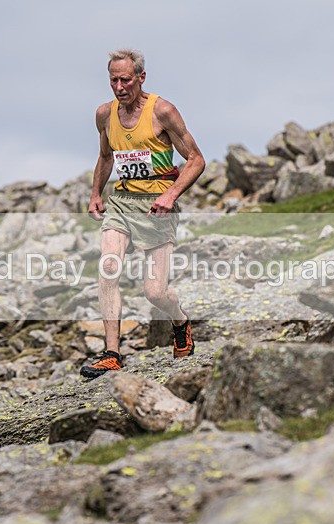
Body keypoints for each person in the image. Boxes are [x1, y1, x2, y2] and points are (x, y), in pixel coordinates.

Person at [80, 48, 205, 379]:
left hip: (156, 206)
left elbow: (196, 160)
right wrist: (95, 193)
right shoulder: (105, 115)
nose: (119, 87)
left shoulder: (162, 111)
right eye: (113, 80)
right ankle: (112, 353)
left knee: (155, 292)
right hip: (122, 202)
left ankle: (180, 322)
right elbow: (106, 157)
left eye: (125, 80)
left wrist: (171, 194)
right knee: (108, 269)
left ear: (141, 78)